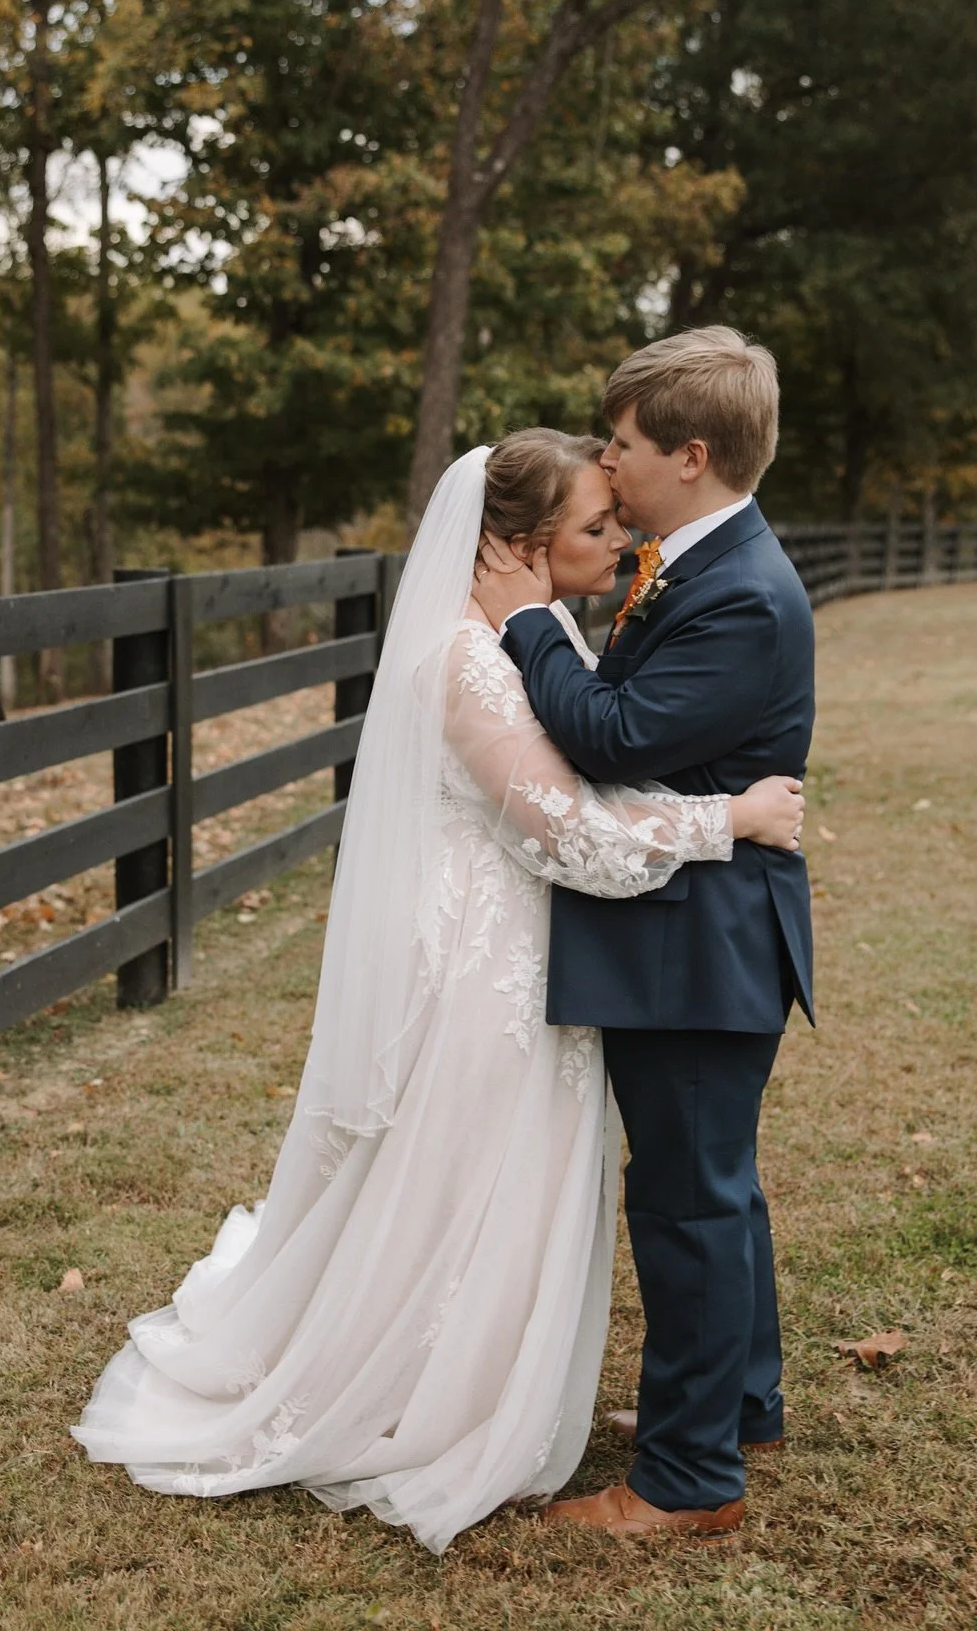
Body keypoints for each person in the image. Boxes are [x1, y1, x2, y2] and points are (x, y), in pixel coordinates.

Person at [72, 428, 804, 1554]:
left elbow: (597, 754)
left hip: (534, 958)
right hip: (485, 970)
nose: (617, 544)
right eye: (593, 529)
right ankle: (426, 1394)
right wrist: (732, 820)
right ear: (514, 544)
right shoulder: (470, 657)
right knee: (465, 1180)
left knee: (536, 1183)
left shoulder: (537, 628)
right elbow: (566, 832)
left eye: (616, 522)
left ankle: (591, 1389)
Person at [474, 328, 815, 1543]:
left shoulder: (742, 595)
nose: (606, 470)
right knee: (710, 1186)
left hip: (697, 944)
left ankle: (686, 1480)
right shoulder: (696, 561)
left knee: (686, 1200)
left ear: (691, 453)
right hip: (695, 930)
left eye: (618, 446)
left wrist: (525, 626)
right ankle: (737, 1403)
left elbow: (611, 739)